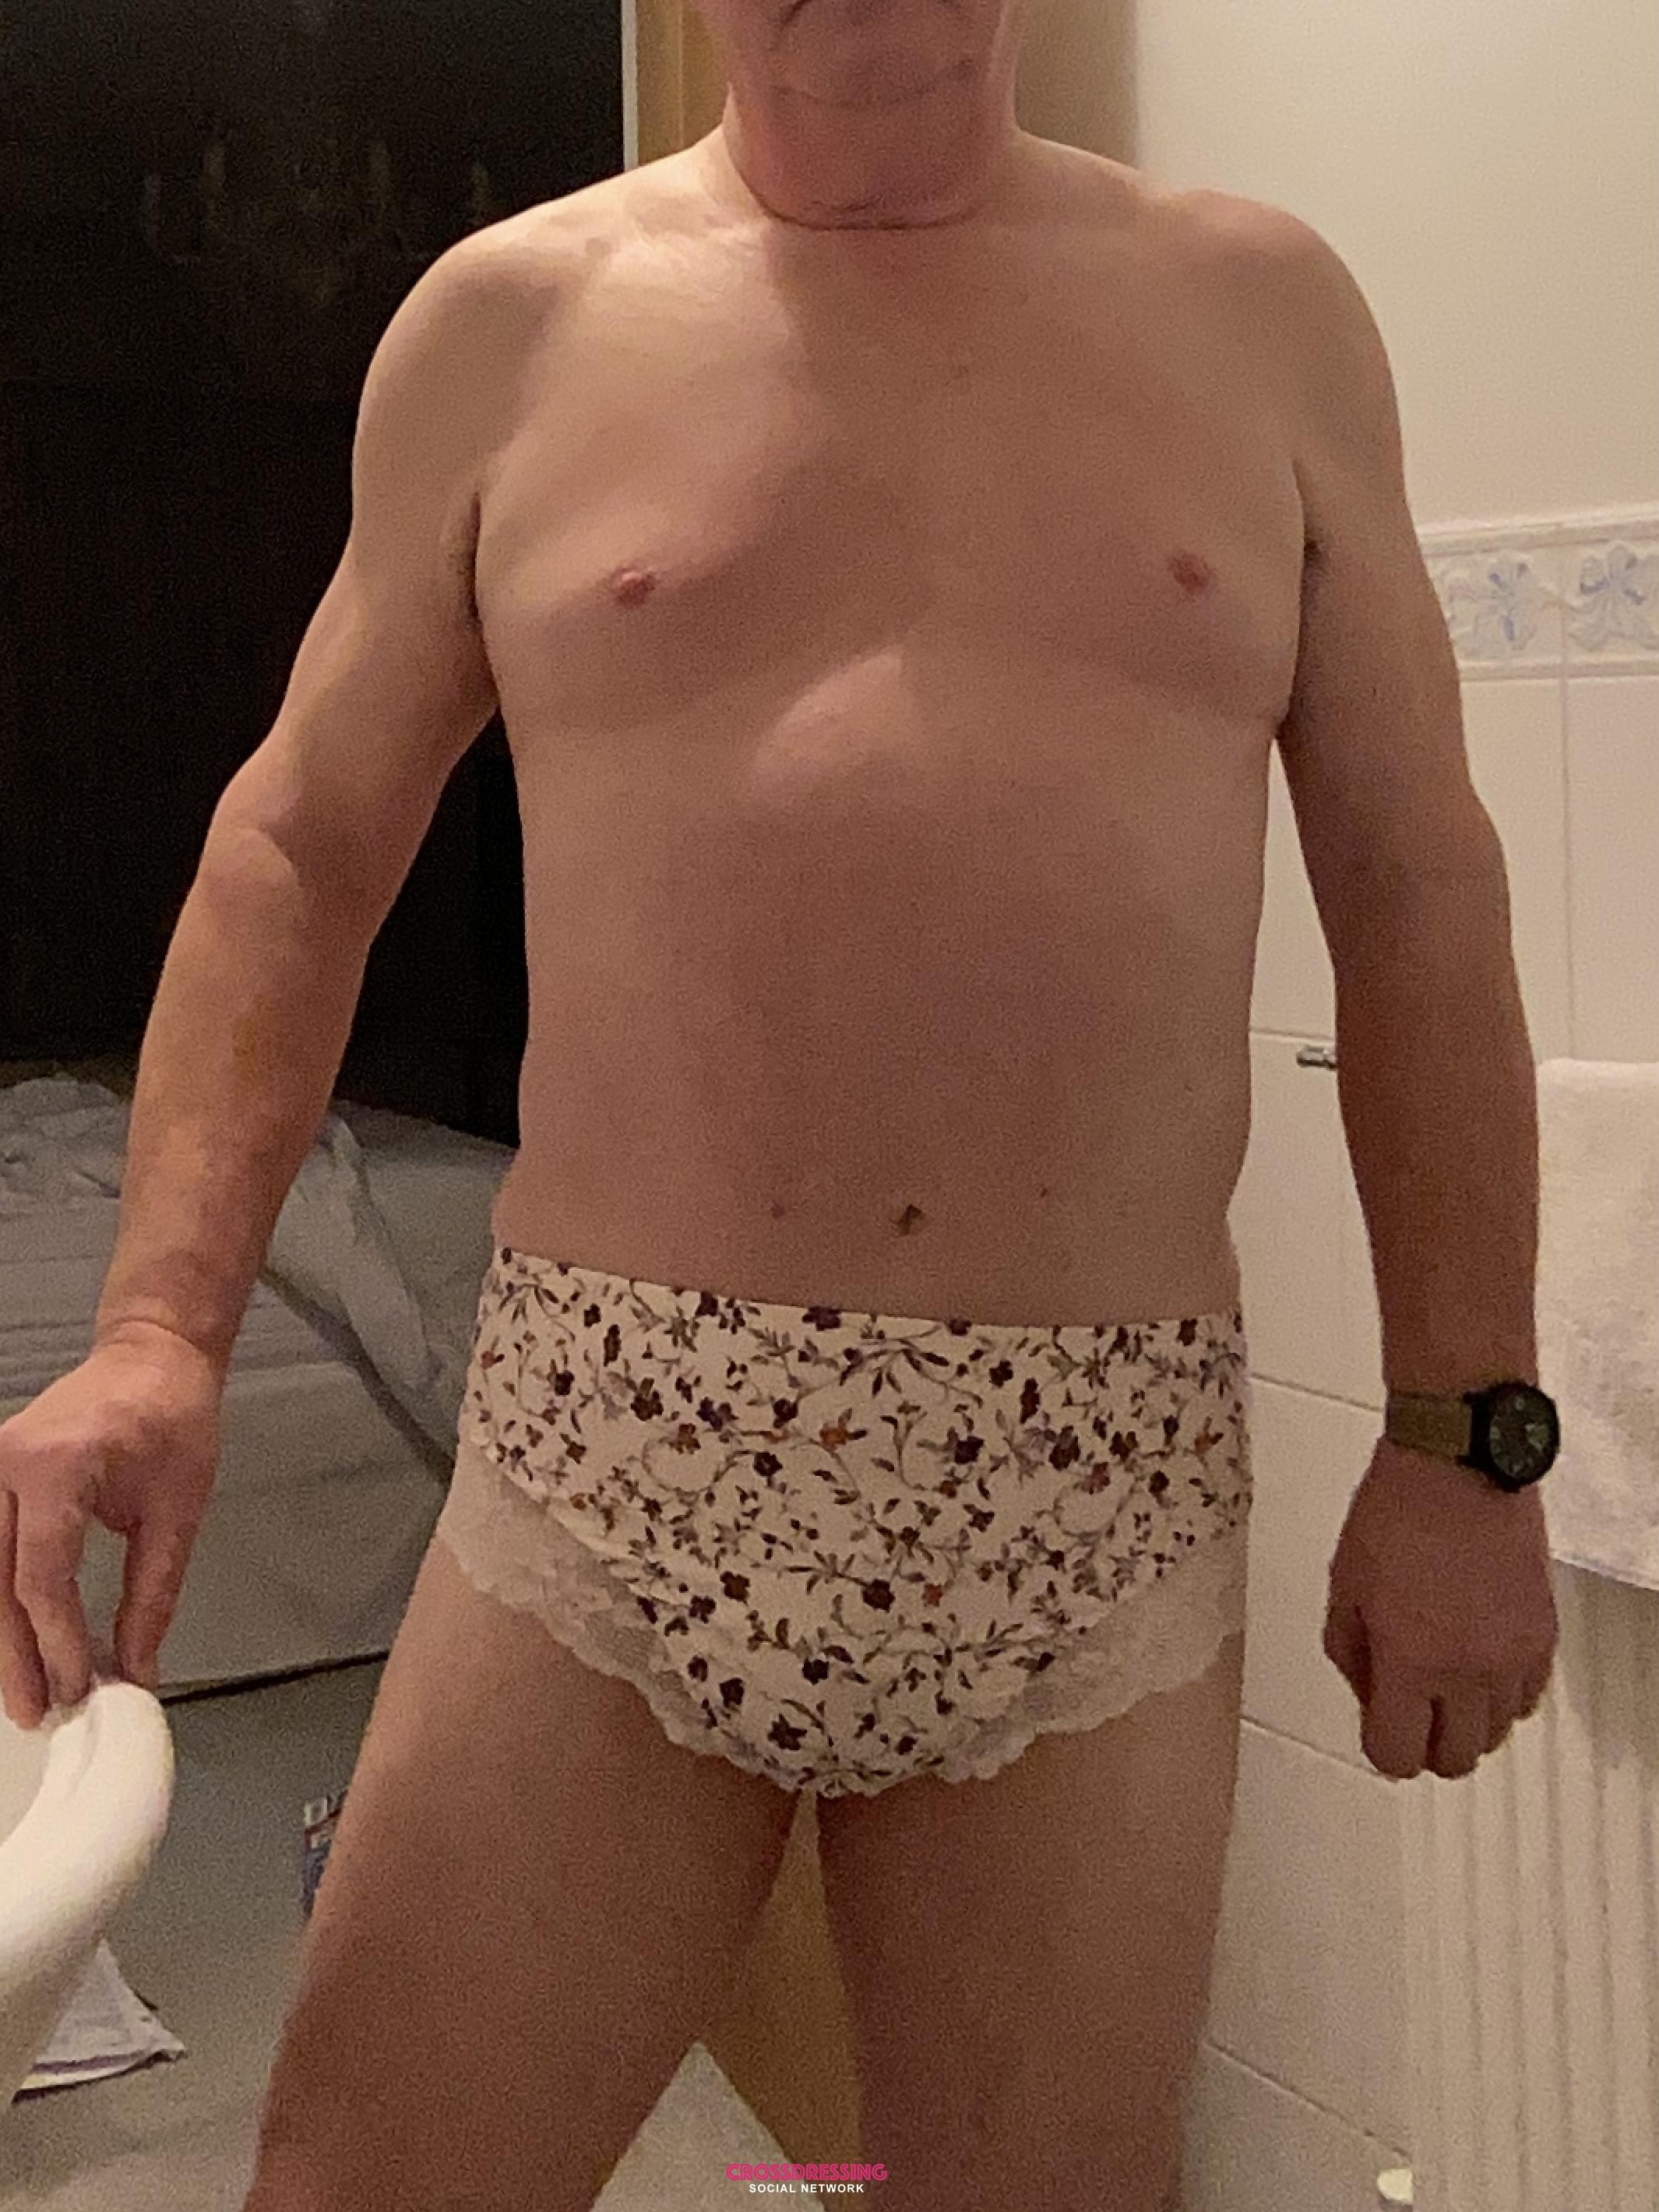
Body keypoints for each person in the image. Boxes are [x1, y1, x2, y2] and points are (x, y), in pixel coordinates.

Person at [0, 1, 1561, 2206]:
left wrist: (1468, 1438)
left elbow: (1416, 892)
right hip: (614, 1452)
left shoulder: (1259, 313)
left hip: (1092, 1479)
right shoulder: (517, 321)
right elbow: (298, 849)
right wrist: (160, 1328)